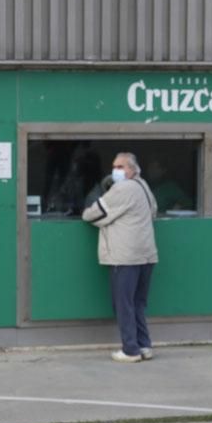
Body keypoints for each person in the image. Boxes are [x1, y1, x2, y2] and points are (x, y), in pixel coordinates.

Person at [82, 152, 158, 362]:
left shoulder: (123, 188)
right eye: (114, 166)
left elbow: (91, 214)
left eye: (121, 166)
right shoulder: (143, 185)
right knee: (138, 303)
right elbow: (153, 211)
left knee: (123, 304)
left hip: (125, 257)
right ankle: (144, 346)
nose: (116, 170)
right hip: (146, 255)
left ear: (133, 169)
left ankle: (130, 350)